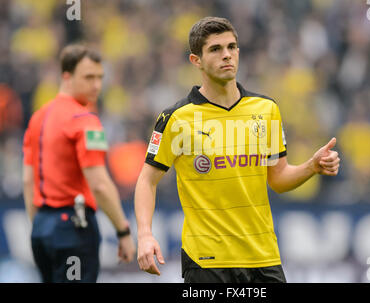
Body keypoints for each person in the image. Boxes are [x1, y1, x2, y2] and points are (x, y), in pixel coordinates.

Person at [134, 17, 340, 283]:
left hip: (263, 258)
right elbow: (146, 180)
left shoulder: (266, 110)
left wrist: (311, 167)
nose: (227, 55)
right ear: (196, 60)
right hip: (206, 261)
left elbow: (277, 178)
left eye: (232, 47)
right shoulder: (176, 118)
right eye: (215, 49)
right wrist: (145, 234)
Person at [22, 45, 136, 283]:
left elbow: (28, 179)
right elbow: (100, 184)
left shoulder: (38, 117)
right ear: (66, 76)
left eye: (100, 78)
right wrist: (123, 230)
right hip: (73, 228)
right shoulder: (84, 120)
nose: (96, 85)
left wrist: (40, 225)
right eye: (88, 77)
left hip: (42, 228)